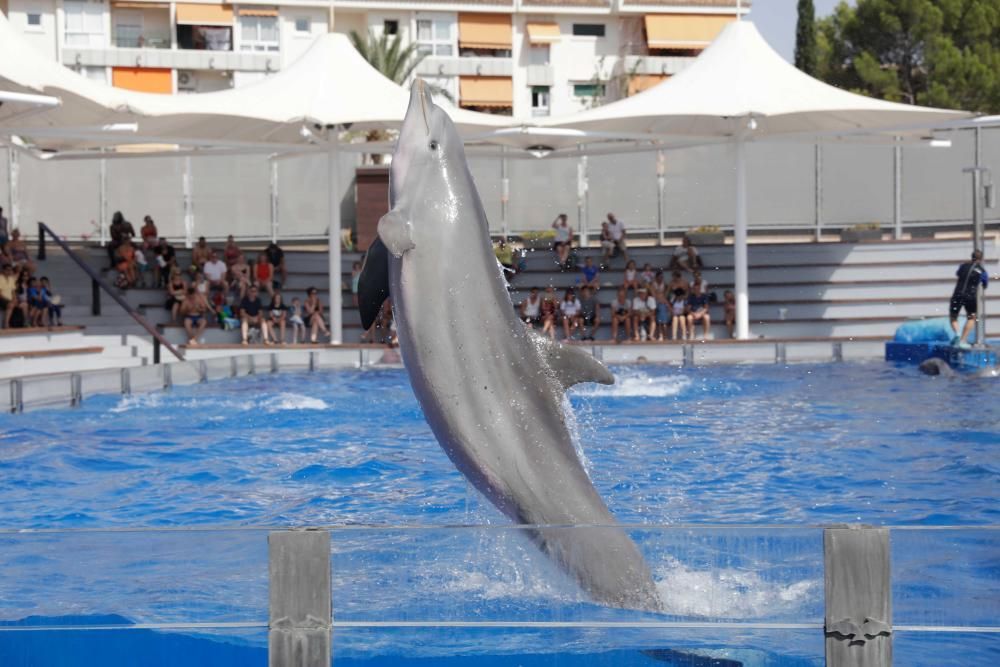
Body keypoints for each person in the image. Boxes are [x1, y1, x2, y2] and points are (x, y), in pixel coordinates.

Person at [949, 250, 989, 348]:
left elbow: (958, 274)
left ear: (971, 257)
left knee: (953, 317)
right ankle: (963, 340)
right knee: (971, 317)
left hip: (957, 294)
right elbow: (985, 284)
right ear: (981, 259)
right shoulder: (982, 271)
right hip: (970, 297)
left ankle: (957, 333)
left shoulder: (963, 266)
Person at [0, 264, 16, 328]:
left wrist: (14, 299)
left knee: (23, 304)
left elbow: (13, 291)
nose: (9, 271)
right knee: (10, 304)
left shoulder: (11, 279)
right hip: (1, 299)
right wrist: (9, 300)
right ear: (3, 270)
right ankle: (6, 324)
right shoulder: (0, 278)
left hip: (9, 300)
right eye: (7, 270)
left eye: (10, 270)